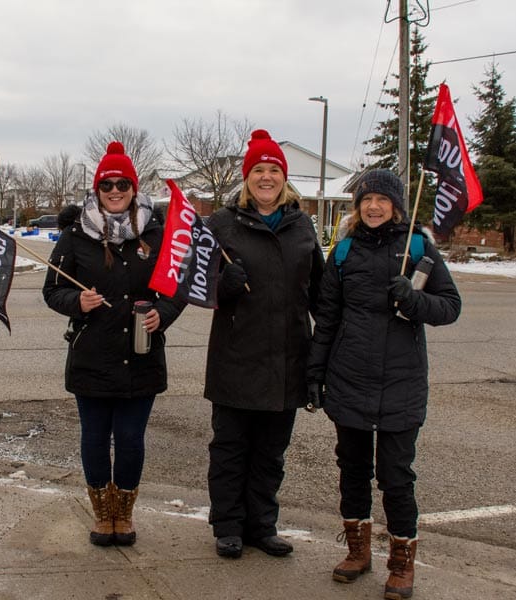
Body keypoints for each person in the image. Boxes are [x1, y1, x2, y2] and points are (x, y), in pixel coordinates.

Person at [306, 169, 461, 599]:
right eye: (365, 199)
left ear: (396, 206)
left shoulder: (417, 247)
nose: (373, 206)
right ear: (357, 207)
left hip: (401, 384)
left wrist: (413, 299)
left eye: (381, 200)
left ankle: (401, 562)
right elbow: (328, 318)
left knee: (395, 476)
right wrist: (315, 373)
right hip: (349, 378)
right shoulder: (344, 251)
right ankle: (357, 552)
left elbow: (450, 307)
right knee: (351, 470)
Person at [42, 142, 185, 547]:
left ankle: (125, 512)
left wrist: (164, 314)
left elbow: (177, 287)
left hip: (141, 355)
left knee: (130, 439)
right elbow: (52, 290)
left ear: (134, 188)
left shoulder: (156, 234)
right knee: (93, 437)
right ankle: (102, 514)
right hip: (92, 356)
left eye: (123, 183)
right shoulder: (75, 235)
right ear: (97, 188)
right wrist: (78, 302)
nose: (115, 190)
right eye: (107, 184)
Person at [204, 129, 324, 559]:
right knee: (231, 448)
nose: (267, 177)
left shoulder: (302, 226)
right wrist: (224, 286)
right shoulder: (221, 223)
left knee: (271, 453)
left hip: (288, 358)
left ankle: (262, 525)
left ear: (285, 179)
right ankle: (229, 526)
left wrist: (322, 357)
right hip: (236, 357)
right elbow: (196, 283)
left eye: (274, 170)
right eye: (259, 170)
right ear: (246, 178)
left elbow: (321, 294)